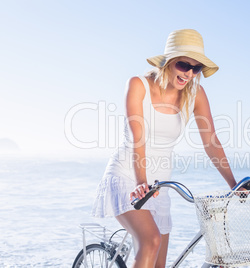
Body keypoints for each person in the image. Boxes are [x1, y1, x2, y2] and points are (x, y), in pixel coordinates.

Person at [92, 29, 240, 268]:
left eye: (196, 68)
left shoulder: (196, 94)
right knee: (150, 242)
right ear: (168, 62)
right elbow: (136, 138)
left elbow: (211, 141)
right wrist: (141, 182)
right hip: (128, 177)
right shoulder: (138, 85)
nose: (189, 73)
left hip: (160, 187)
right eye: (183, 64)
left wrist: (234, 184)